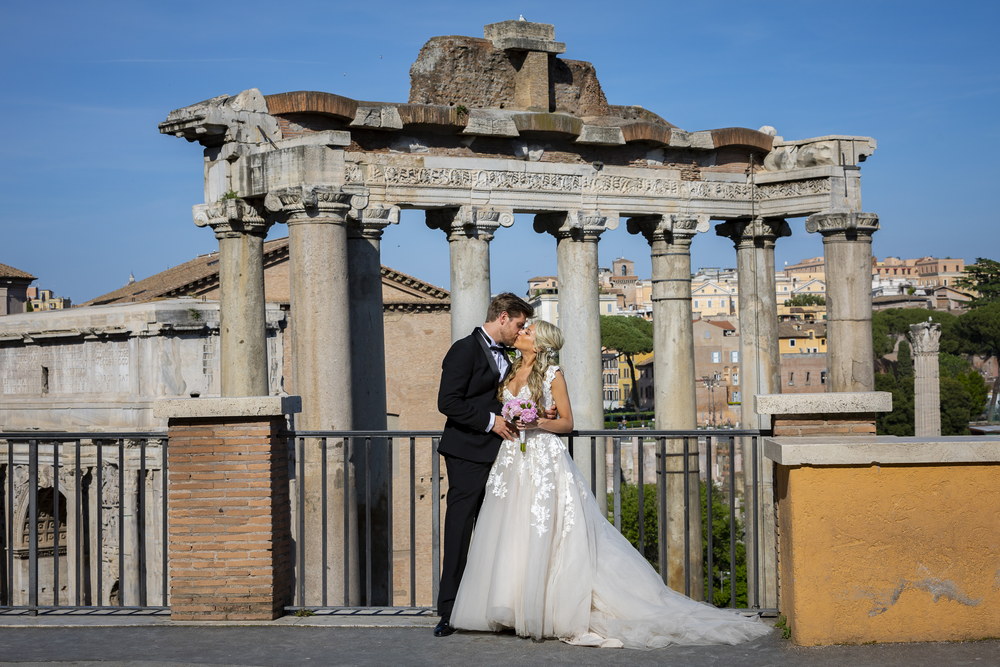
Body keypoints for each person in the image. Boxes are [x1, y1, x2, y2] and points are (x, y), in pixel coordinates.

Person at [450, 320, 772, 649]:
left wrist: (538, 420)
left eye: (528, 332)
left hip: (544, 459)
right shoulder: (509, 369)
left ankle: (548, 609)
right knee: (512, 530)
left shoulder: (552, 374)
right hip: (511, 459)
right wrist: (512, 417)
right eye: (522, 329)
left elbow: (567, 422)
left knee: (545, 529)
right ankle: (512, 607)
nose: (521, 333)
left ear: (541, 344)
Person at [433, 292, 534, 638]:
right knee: (460, 530)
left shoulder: (508, 356)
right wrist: (492, 422)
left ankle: (487, 608)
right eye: (519, 324)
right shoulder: (464, 349)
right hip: (467, 453)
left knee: (496, 532)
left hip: (500, 455)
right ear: (503, 317)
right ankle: (448, 611)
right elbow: (447, 402)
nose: (521, 331)